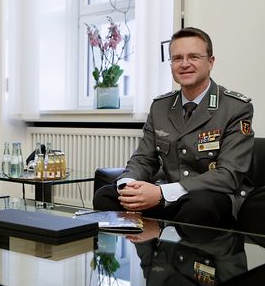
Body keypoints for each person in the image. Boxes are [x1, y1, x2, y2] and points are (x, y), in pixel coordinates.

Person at [93, 27, 254, 229]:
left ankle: (161, 241)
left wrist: (161, 193)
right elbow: (144, 159)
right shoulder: (161, 106)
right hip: (165, 196)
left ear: (211, 62)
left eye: (193, 57)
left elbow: (229, 175)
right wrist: (128, 184)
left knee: (198, 206)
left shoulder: (235, 107)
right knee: (106, 196)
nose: (184, 64)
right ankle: (145, 252)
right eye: (177, 58)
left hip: (209, 197)